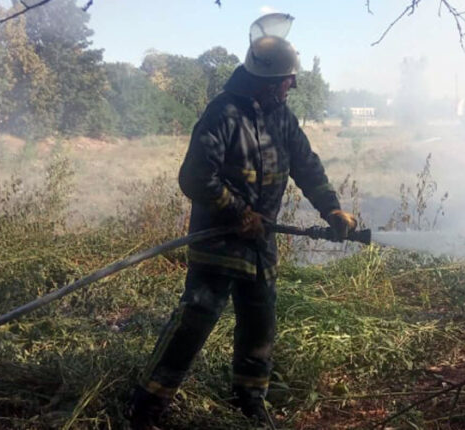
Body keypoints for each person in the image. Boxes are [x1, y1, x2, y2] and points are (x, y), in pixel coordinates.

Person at [129, 16, 357, 430]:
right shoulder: (223, 114)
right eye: (289, 80)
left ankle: (249, 400)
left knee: (260, 324)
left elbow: (306, 165)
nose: (293, 86)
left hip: (260, 244)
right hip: (219, 242)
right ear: (269, 81)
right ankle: (148, 404)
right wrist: (238, 212)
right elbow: (195, 177)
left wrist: (332, 209)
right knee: (194, 322)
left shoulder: (281, 117)